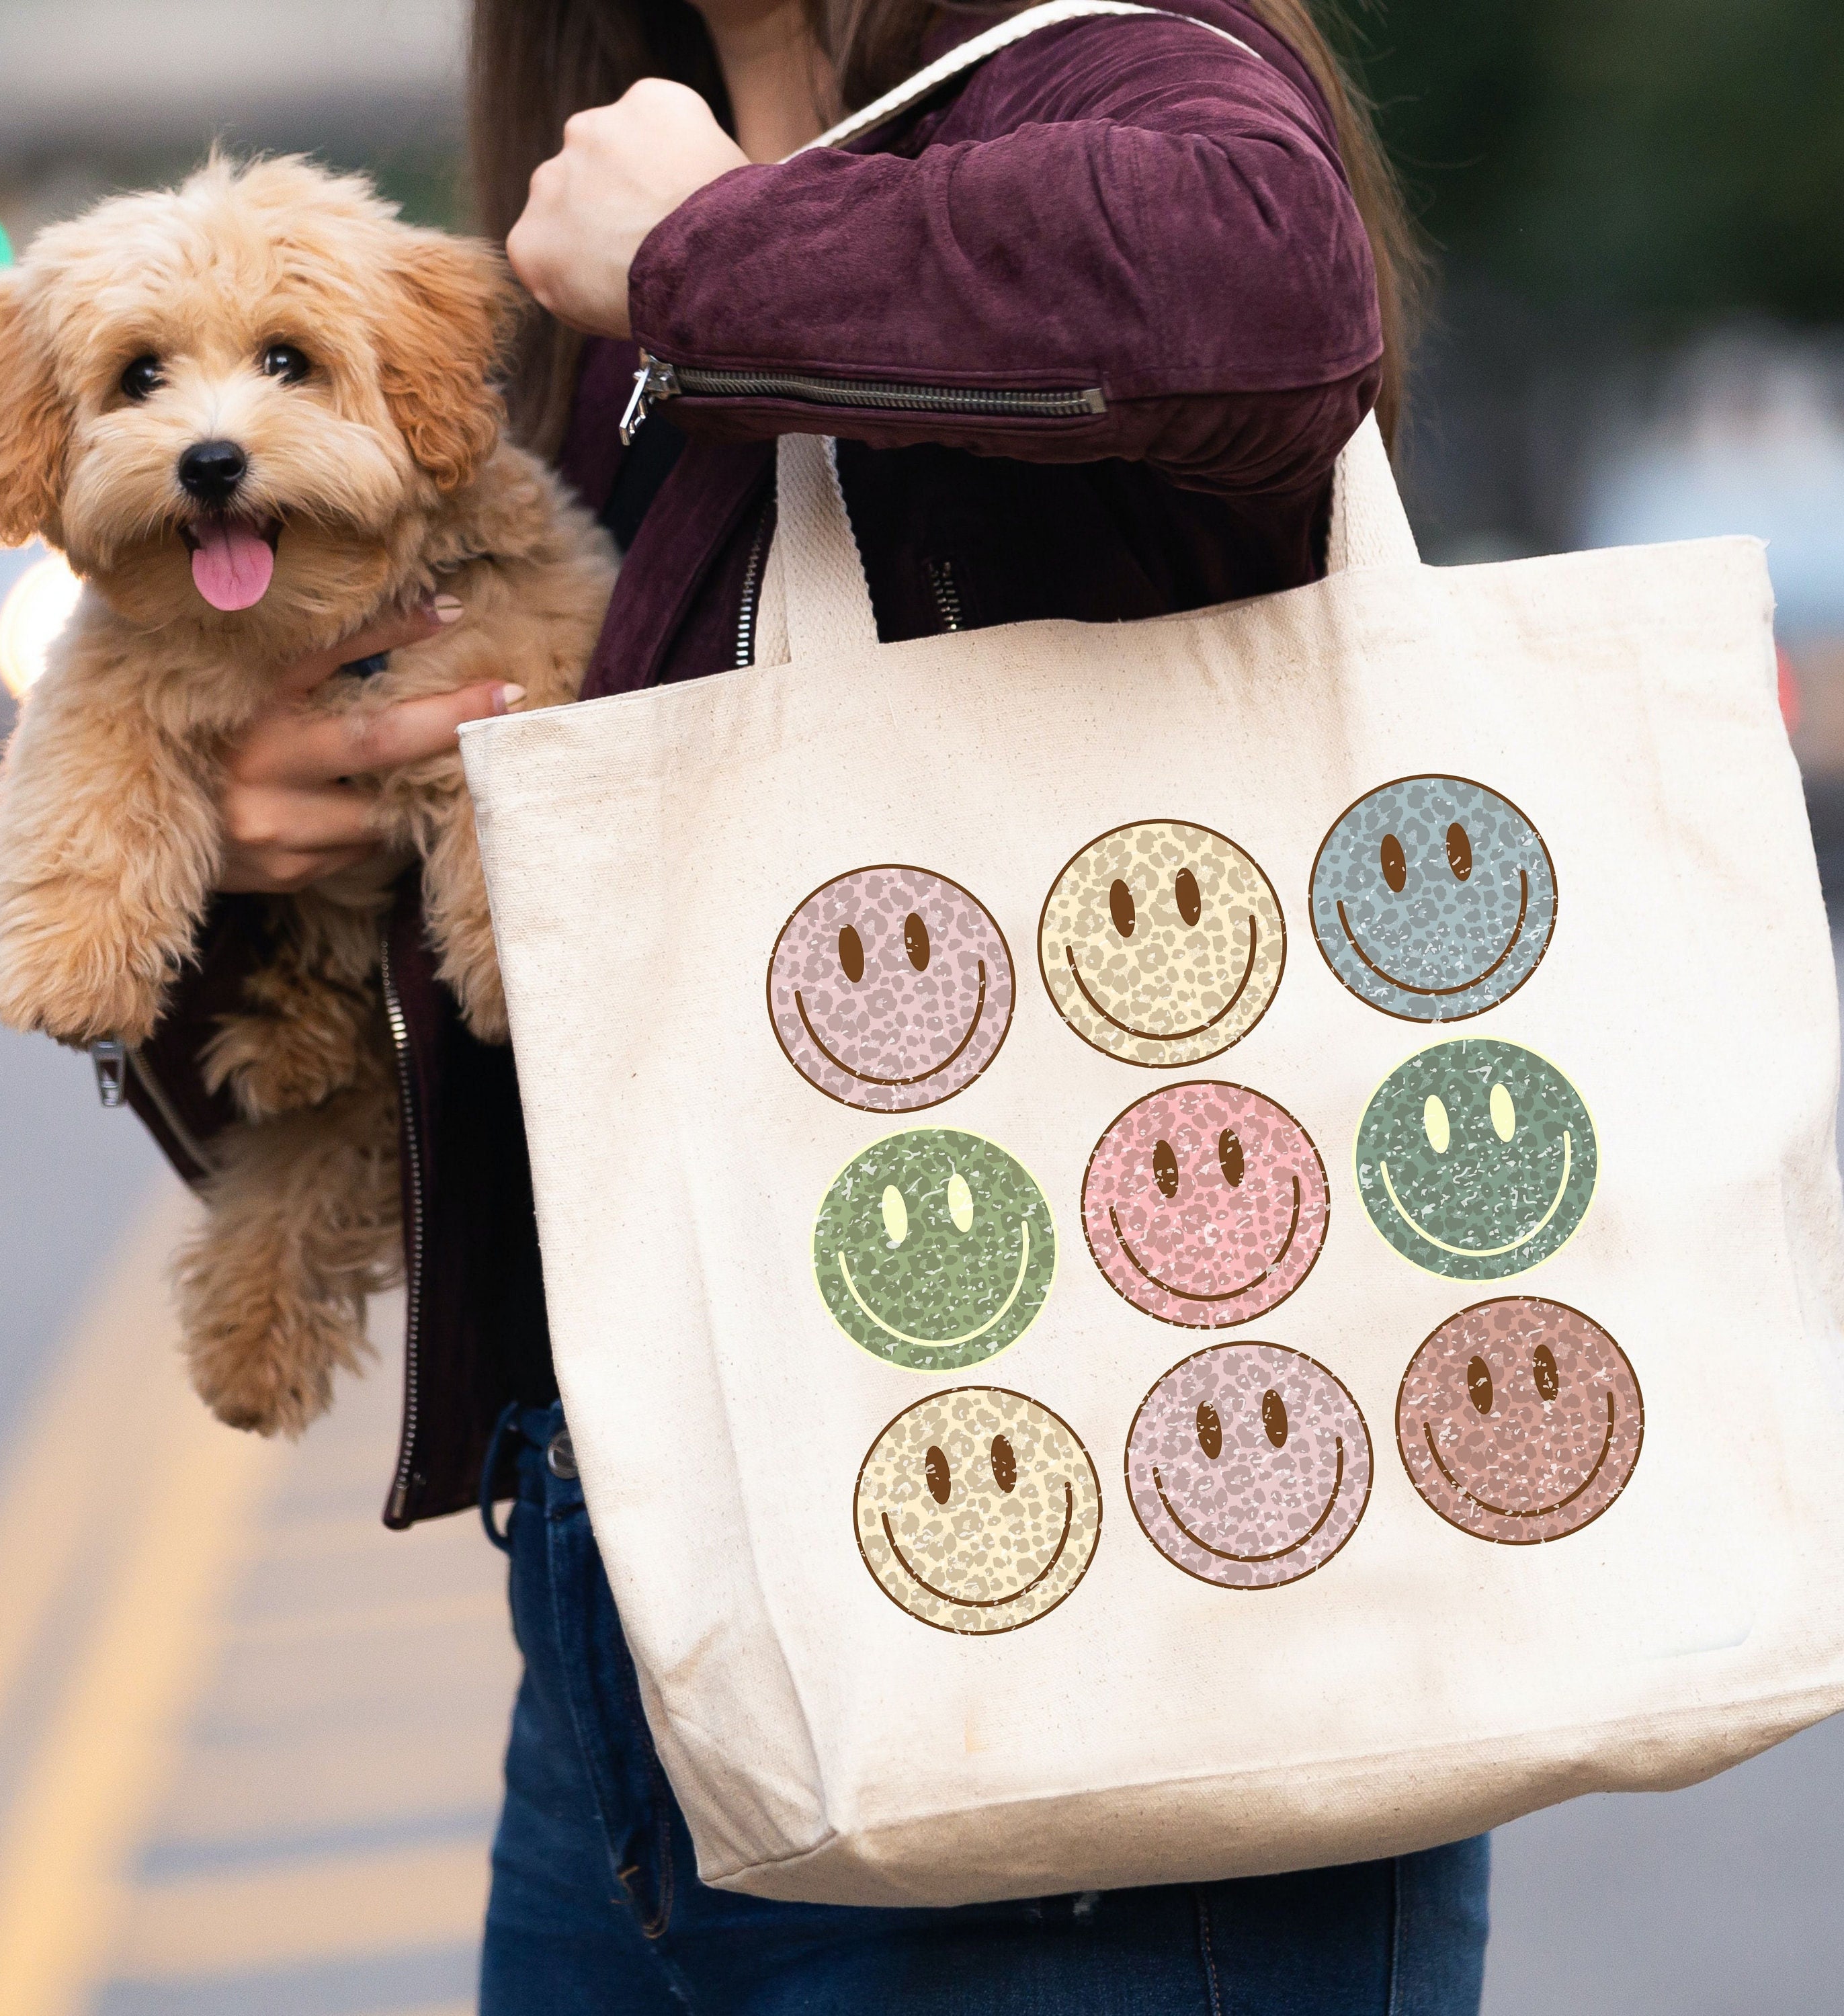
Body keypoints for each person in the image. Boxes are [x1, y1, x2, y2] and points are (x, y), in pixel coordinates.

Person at [126, 1, 1491, 2007]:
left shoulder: (1092, 62)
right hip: (629, 1648)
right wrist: (247, 872)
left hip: (1115, 1645)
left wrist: (709, 255)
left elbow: (1273, 287)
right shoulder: (586, 242)